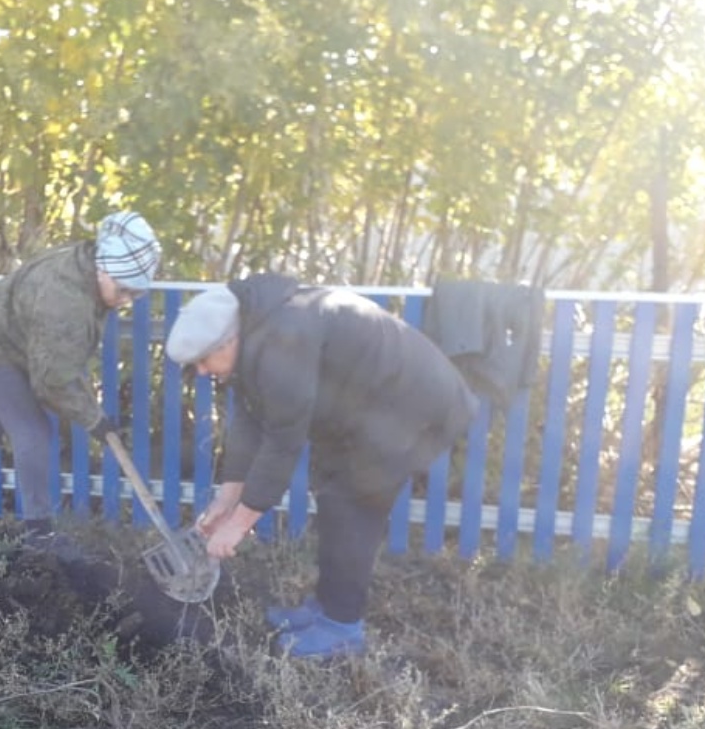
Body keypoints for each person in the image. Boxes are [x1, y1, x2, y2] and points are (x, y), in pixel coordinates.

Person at [165, 274, 477, 659]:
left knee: (355, 504)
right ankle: (325, 608)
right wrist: (226, 499)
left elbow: (282, 443)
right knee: (333, 495)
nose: (200, 371)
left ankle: (342, 626)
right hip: (367, 408)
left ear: (229, 341)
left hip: (413, 407)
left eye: (203, 360)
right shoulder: (254, 331)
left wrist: (238, 525)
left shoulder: (282, 342)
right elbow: (249, 420)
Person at [0, 211, 161, 539]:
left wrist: (93, 414)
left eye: (136, 294)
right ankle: (39, 533)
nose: (126, 301)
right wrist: (94, 420)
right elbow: (51, 382)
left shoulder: (85, 262)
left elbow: (60, 361)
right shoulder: (66, 302)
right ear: (103, 269)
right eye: (123, 290)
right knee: (33, 431)